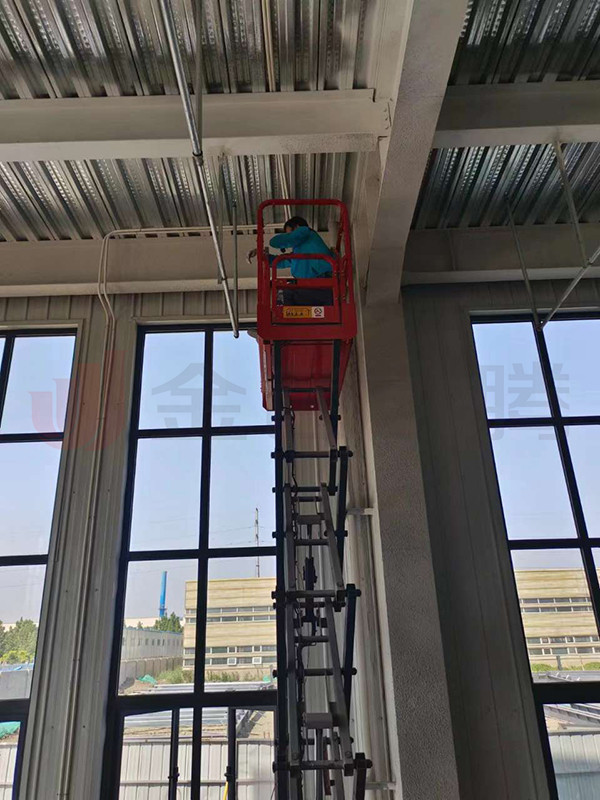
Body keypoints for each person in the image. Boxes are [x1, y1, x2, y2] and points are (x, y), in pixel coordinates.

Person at [248, 216, 335, 305]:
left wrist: (281, 242)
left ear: (297, 227)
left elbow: (276, 241)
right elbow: (280, 262)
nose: (288, 236)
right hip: (314, 287)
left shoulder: (305, 231)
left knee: (284, 294)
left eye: (289, 233)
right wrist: (261, 254)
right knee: (284, 295)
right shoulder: (299, 254)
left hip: (323, 282)